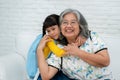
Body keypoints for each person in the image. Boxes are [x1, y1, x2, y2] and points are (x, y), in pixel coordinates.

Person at [37, 9, 114, 80]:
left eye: (73, 22)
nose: (69, 26)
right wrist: (39, 50)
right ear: (60, 27)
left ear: (80, 26)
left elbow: (105, 61)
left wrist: (77, 52)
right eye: (65, 23)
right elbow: (45, 76)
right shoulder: (60, 49)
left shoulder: (92, 36)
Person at [37, 14, 71, 80]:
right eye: (48, 31)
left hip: (55, 68)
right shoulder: (50, 41)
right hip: (46, 67)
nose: (51, 33)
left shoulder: (61, 39)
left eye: (53, 29)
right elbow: (58, 52)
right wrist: (69, 51)